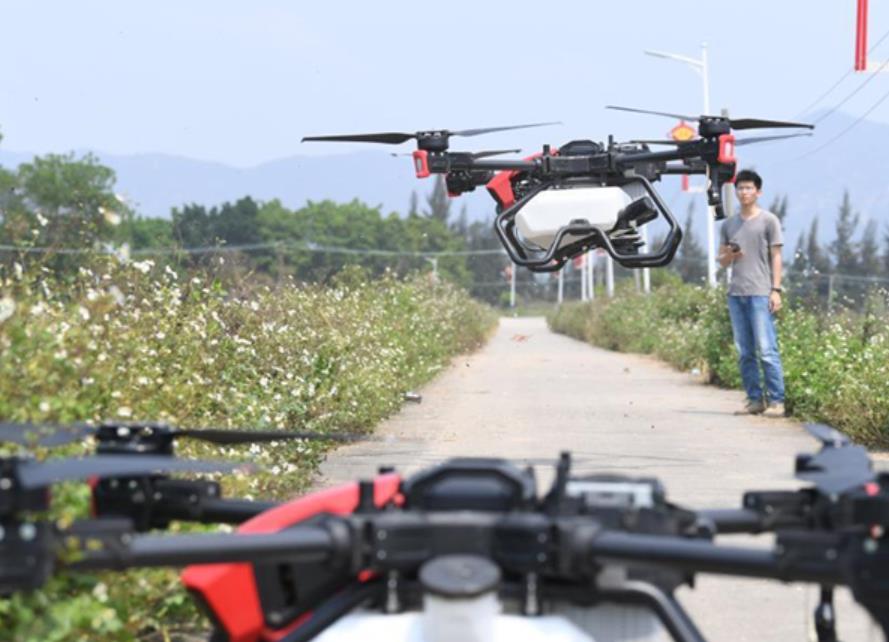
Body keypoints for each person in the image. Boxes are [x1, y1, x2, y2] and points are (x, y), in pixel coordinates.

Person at [718, 169, 785, 417]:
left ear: (758, 192)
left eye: (748, 188)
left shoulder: (769, 221)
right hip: (736, 293)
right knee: (745, 351)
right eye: (740, 188)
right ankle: (755, 400)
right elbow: (722, 261)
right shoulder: (729, 224)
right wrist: (730, 255)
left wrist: (775, 290)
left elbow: (776, 256)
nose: (744, 192)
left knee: (767, 350)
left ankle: (777, 401)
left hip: (760, 292)